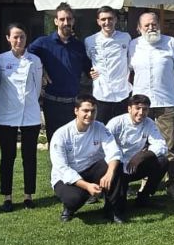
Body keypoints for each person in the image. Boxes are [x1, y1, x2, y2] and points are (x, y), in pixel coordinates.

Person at [128, 11, 174, 199]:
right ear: (139, 28)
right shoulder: (133, 45)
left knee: (170, 146)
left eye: (154, 23)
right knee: (143, 145)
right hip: (141, 104)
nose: (151, 27)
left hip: (167, 101)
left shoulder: (170, 43)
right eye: (147, 25)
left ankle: (171, 183)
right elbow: (126, 72)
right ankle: (146, 180)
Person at [49, 95, 125, 224]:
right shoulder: (61, 134)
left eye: (93, 111)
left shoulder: (100, 128)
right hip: (66, 176)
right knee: (74, 199)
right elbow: (61, 168)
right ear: (76, 111)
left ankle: (111, 210)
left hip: (91, 169)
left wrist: (109, 173)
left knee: (116, 166)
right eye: (85, 111)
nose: (89, 115)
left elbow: (114, 151)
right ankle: (69, 208)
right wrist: (87, 186)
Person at [0, 24, 43, 211]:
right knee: (8, 156)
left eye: (22, 37)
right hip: (7, 114)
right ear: (8, 38)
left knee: (29, 156)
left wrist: (28, 102)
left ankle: (28, 195)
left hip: (30, 114)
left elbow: (37, 87)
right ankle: (7, 196)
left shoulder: (35, 60)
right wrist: (4, 106)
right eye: (15, 37)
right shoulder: (0, 59)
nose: (19, 40)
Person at [28, 2, 92, 140]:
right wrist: (41, 70)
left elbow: (89, 69)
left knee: (74, 142)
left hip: (73, 104)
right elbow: (26, 57)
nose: (66, 22)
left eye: (69, 19)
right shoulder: (43, 43)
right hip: (52, 103)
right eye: (62, 19)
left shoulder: (79, 46)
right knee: (55, 142)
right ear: (56, 21)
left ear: (73, 21)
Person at [106, 94, 169, 213]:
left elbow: (161, 145)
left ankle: (144, 198)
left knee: (162, 161)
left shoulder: (149, 123)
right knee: (119, 206)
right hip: (116, 167)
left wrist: (142, 155)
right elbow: (104, 147)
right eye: (137, 108)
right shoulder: (116, 123)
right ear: (129, 108)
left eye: (145, 109)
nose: (141, 113)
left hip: (136, 165)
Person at [86, 5, 132, 124]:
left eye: (110, 19)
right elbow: (86, 62)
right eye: (103, 19)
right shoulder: (90, 40)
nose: (107, 22)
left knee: (121, 130)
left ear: (115, 19)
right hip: (101, 94)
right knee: (101, 130)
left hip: (122, 93)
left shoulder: (126, 37)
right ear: (98, 21)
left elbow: (131, 59)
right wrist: (89, 71)